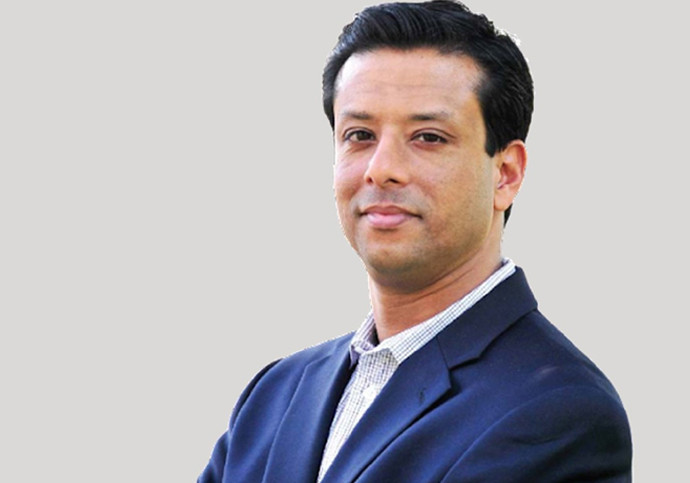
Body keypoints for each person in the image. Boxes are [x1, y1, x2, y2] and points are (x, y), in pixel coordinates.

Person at [199, 1, 632, 481]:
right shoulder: (273, 396)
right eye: (359, 135)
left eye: (428, 137)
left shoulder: (557, 413)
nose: (381, 168)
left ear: (506, 174)